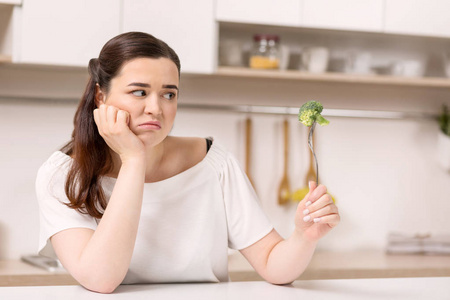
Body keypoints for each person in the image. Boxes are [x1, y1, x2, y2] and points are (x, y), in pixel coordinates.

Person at [36, 32, 340, 294]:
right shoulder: (62, 175)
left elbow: (274, 265)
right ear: (101, 96)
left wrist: (303, 237)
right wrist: (133, 160)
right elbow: (101, 279)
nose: (155, 108)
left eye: (168, 94)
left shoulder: (213, 162)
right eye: (139, 92)